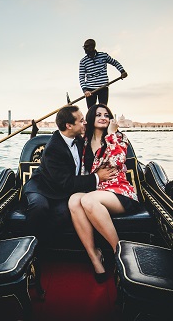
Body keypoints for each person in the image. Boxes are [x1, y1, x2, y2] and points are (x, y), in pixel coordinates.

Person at [22, 105, 118, 247]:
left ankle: (47, 245)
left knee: (65, 212)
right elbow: (66, 182)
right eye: (81, 120)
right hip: (41, 187)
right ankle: (28, 248)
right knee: (39, 207)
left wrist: (111, 132)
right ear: (69, 126)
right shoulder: (53, 148)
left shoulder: (79, 139)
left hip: (62, 191)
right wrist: (97, 177)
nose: (85, 122)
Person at [68, 104, 140, 282]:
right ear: (91, 117)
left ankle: (120, 254)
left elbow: (117, 161)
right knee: (73, 201)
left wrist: (111, 135)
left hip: (120, 192)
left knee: (88, 200)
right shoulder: (84, 140)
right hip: (96, 191)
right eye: (98, 114)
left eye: (107, 115)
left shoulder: (119, 137)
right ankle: (95, 257)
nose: (103, 117)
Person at [79, 38, 128, 108]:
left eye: (87, 47)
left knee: (103, 108)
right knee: (91, 111)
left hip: (103, 86)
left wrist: (122, 71)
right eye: (84, 47)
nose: (85, 49)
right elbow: (81, 77)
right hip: (90, 89)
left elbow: (115, 63)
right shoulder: (83, 61)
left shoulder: (103, 56)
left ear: (92, 47)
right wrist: (85, 90)